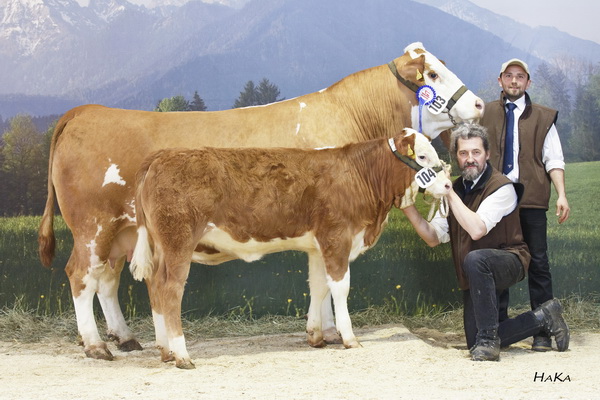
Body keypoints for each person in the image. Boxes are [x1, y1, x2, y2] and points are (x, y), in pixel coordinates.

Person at [402, 123, 569, 361]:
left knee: (476, 260)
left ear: (487, 154)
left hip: (509, 260)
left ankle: (490, 342)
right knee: (474, 339)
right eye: (463, 153)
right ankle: (543, 317)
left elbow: (477, 229)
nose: (470, 159)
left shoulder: (502, 187)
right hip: (476, 272)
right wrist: (406, 206)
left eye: (476, 152)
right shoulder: (455, 188)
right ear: (456, 157)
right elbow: (432, 237)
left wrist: (448, 192)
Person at [480, 59, 571, 352]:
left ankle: (542, 330)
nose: (515, 81)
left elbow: (554, 159)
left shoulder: (543, 117)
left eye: (520, 77)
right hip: (496, 199)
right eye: (509, 76)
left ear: (528, 83)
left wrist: (561, 195)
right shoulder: (486, 113)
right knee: (497, 259)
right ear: (500, 80)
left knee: (538, 262)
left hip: (531, 199)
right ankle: (499, 328)